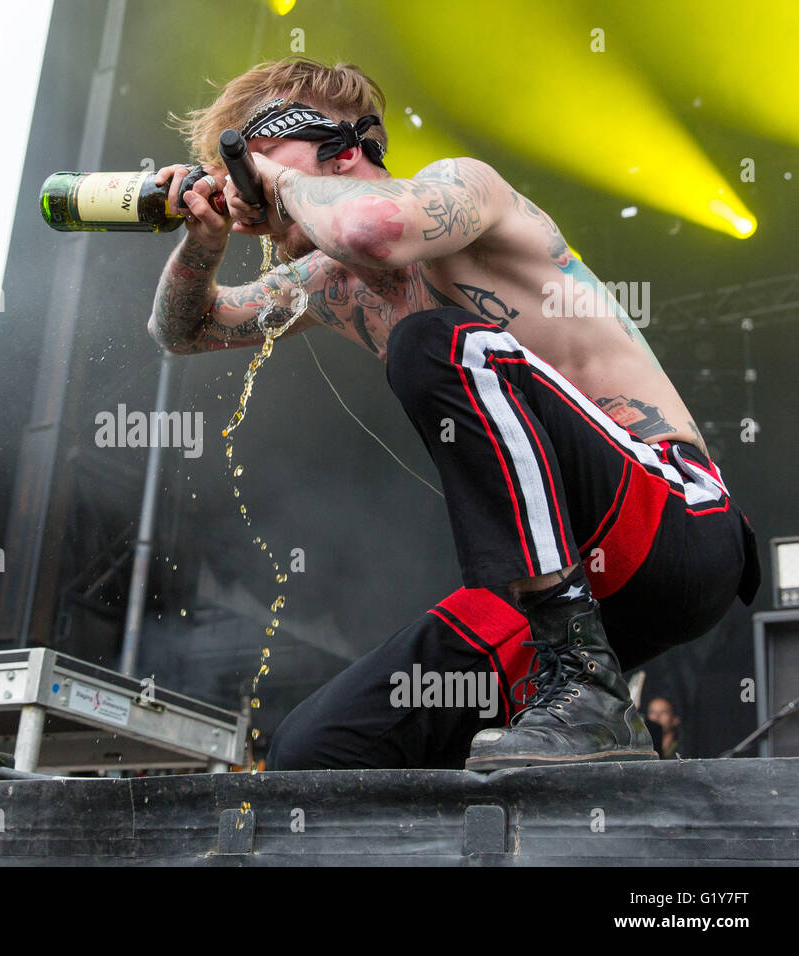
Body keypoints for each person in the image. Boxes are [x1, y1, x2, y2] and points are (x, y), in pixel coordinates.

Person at [149, 56, 759, 771]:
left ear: (333, 148)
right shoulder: (329, 280)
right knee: (318, 753)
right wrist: (205, 241)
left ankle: (588, 688)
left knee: (430, 344)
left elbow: (375, 228)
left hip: (670, 529)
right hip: (563, 592)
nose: (240, 188)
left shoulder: (462, 190)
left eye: (245, 159)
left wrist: (280, 181)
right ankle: (579, 694)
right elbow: (185, 331)